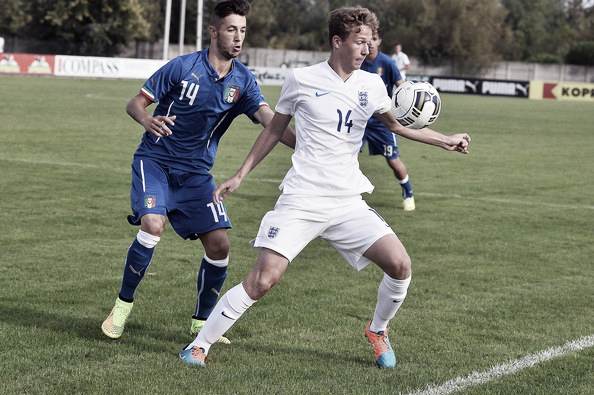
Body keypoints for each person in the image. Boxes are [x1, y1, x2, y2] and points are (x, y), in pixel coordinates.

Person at [179, 6, 470, 368]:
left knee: (400, 265)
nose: (366, 50)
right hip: (302, 198)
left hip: (348, 201)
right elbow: (273, 129)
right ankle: (198, 345)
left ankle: (377, 330)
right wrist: (240, 174)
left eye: (369, 42)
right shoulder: (301, 79)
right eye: (359, 42)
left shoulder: (372, 84)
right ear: (337, 41)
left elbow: (395, 126)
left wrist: (445, 140)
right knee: (262, 280)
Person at [101, 0, 295, 343]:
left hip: (196, 175)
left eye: (243, 31)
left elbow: (270, 121)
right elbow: (135, 103)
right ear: (214, 31)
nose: (238, 37)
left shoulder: (243, 81)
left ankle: (201, 322)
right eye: (232, 29)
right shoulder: (182, 67)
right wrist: (148, 120)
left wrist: (308, 147)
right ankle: (122, 306)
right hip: (155, 162)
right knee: (152, 225)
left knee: (220, 245)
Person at [361, 30, 416, 211]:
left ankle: (408, 193)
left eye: (374, 40)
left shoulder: (387, 63)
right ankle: (344, 196)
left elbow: (401, 87)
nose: (370, 43)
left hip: (383, 122)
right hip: (359, 120)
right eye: (367, 40)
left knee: (393, 161)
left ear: (379, 41)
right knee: (347, 157)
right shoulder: (357, 61)